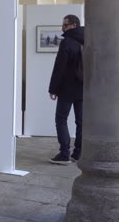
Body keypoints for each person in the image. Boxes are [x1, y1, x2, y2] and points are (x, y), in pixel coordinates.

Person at [48, 14, 84, 165]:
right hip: (83, 88)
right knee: (81, 121)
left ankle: (64, 154)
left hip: (67, 88)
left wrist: (53, 89)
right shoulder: (87, 40)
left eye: (65, 25)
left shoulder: (67, 42)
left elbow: (59, 68)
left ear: (73, 25)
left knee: (61, 119)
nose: (62, 27)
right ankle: (78, 154)